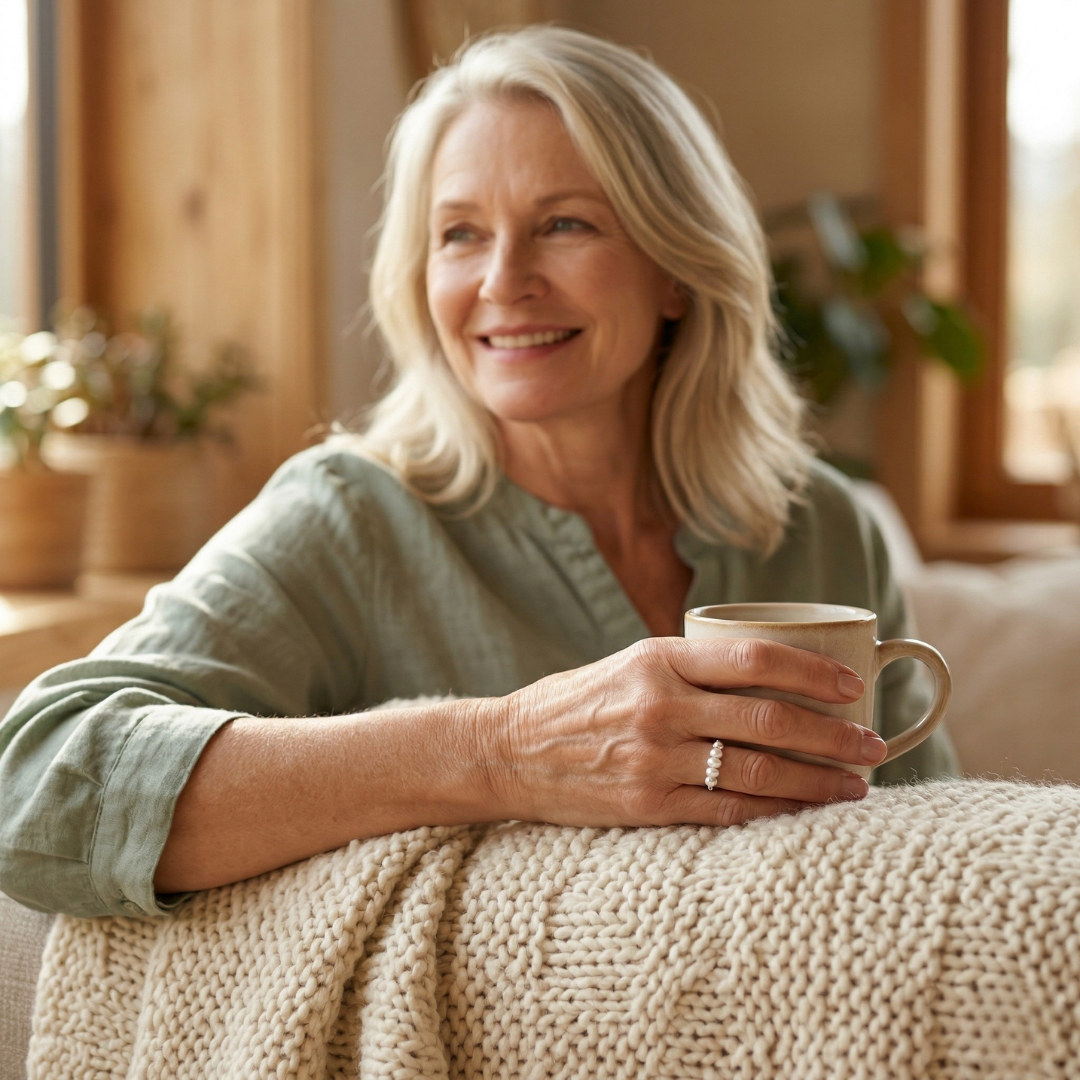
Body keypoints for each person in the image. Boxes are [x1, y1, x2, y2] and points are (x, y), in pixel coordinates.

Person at [0, 26, 957, 919]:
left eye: (565, 224)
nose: (503, 281)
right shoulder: (347, 518)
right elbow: (32, 784)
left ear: (676, 268)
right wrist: (499, 753)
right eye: (459, 233)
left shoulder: (823, 525)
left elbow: (932, 848)